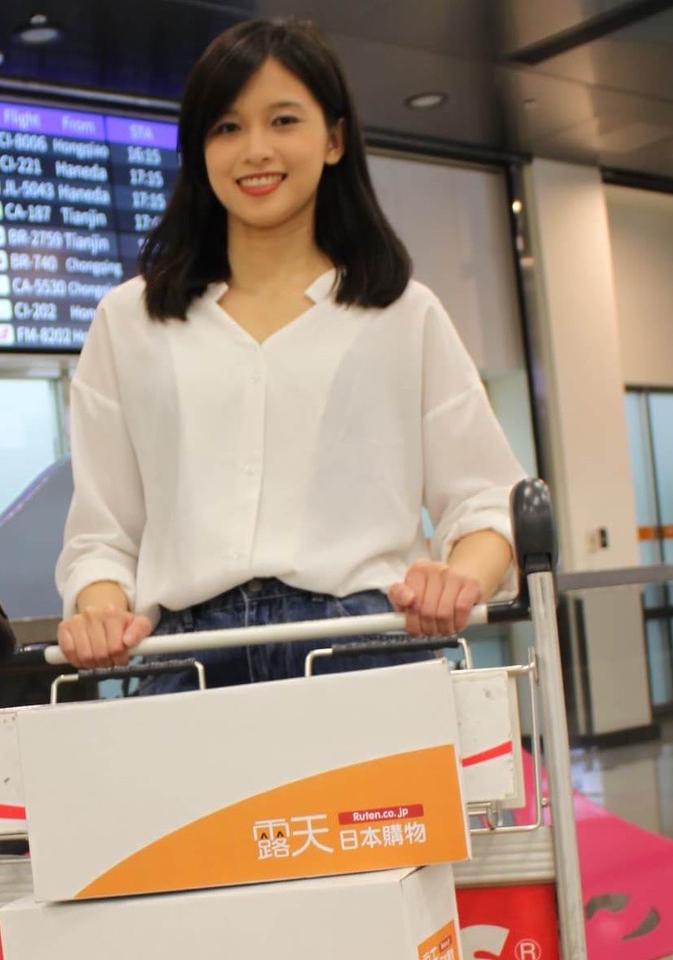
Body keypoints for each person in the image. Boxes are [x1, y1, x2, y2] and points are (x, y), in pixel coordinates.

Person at [53, 17, 527, 693]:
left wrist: (458, 580)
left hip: (368, 648)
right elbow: (103, 535)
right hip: (187, 662)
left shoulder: (402, 312)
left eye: (283, 121)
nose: (255, 150)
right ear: (198, 149)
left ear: (334, 139)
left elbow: (487, 501)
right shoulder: (129, 320)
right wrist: (99, 611)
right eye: (226, 127)